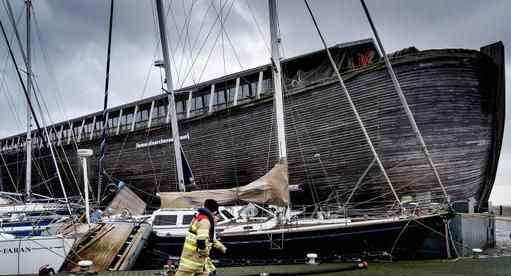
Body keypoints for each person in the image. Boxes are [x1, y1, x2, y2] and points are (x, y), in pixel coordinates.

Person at [175, 199, 227, 276]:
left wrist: (222, 248)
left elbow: (209, 239)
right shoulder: (205, 222)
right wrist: (205, 253)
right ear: (215, 213)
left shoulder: (198, 218)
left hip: (196, 261)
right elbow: (201, 241)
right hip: (193, 261)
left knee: (211, 271)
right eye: (218, 218)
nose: (217, 220)